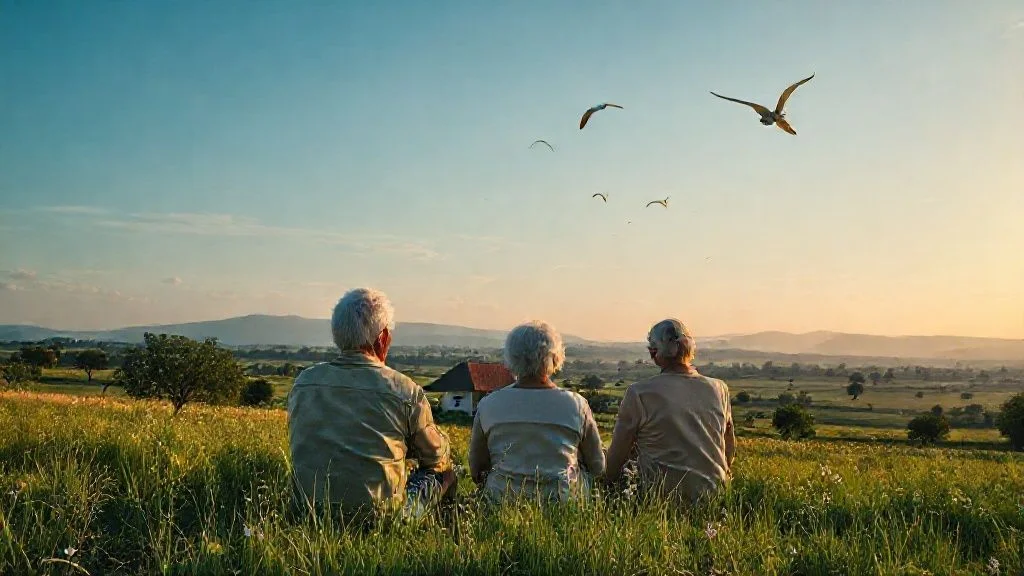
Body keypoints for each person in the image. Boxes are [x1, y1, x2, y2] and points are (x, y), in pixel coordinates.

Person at [287, 288, 455, 521]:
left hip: (309, 512)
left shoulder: (303, 383)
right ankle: (443, 534)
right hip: (380, 518)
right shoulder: (404, 390)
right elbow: (435, 458)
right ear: (383, 337)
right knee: (445, 475)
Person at [469, 321, 605, 502]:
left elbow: (477, 469)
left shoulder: (489, 404)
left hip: (502, 503)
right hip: (565, 505)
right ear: (555, 358)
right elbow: (598, 466)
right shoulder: (576, 405)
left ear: (510, 359)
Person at [605, 318, 735, 505]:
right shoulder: (719, 389)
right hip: (715, 498)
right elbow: (728, 446)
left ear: (653, 352)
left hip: (660, 503)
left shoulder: (639, 393)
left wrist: (607, 488)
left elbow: (618, 454)